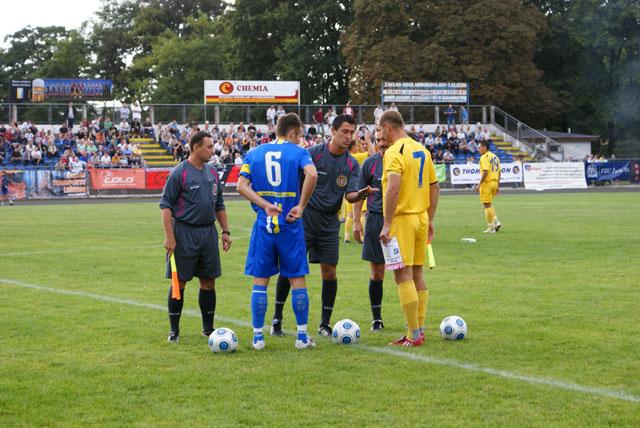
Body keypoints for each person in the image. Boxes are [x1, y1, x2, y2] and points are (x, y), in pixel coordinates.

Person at [271, 114, 377, 337]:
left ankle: (325, 324)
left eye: (351, 132)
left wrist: (362, 194)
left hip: (330, 223)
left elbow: (349, 196)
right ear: (333, 131)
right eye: (344, 132)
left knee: (329, 271)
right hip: (305, 219)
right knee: (292, 268)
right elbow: (294, 181)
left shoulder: (350, 163)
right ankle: (277, 319)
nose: (349, 137)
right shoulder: (312, 154)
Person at [237, 112, 318, 350]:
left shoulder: (254, 153)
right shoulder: (299, 152)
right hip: (290, 223)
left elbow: (241, 185)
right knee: (297, 278)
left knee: (260, 280)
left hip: (265, 222)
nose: (301, 140)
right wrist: (301, 206)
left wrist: (263, 204)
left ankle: (257, 338)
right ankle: (302, 337)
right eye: (300, 135)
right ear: (293, 132)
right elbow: (312, 174)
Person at [160, 131, 232, 343]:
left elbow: (219, 204)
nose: (213, 150)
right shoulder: (179, 173)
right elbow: (165, 206)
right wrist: (169, 237)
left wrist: (225, 231)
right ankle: (174, 330)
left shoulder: (211, 172)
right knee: (178, 282)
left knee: (209, 282)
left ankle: (208, 329)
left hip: (208, 234)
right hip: (184, 233)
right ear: (195, 148)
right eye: (209, 147)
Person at [379, 110, 439, 347]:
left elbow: (393, 188)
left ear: (387, 127)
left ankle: (413, 334)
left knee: (401, 274)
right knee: (417, 274)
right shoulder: (421, 149)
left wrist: (386, 223)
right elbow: (435, 187)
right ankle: (419, 328)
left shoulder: (395, 152)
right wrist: (430, 218)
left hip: (402, 219)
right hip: (421, 217)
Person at [353, 128, 388, 331]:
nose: (382, 143)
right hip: (375, 219)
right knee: (377, 271)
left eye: (384, 139)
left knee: (404, 271)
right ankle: (377, 318)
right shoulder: (370, 163)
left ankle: (411, 319)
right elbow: (360, 194)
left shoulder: (402, 160)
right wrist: (356, 222)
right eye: (378, 140)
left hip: (399, 220)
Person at [473, 140, 502, 233]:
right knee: (489, 204)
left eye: (479, 147)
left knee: (486, 205)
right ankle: (496, 221)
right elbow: (499, 172)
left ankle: (491, 227)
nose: (478, 149)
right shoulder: (495, 157)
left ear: (485, 147)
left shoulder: (484, 157)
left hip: (487, 183)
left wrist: (479, 184)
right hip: (494, 182)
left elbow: (485, 171)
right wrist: (498, 184)